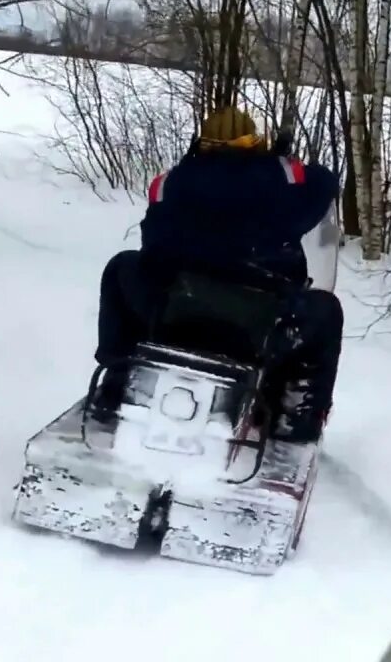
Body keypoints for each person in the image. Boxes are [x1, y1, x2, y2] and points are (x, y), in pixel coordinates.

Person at [91, 106, 342, 443]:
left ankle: (118, 379)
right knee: (326, 311)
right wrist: (282, 158)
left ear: (203, 142)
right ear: (255, 141)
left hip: (175, 314)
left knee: (121, 266)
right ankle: (296, 418)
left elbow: (152, 245)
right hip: (260, 326)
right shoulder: (287, 177)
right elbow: (325, 181)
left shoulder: (169, 183)